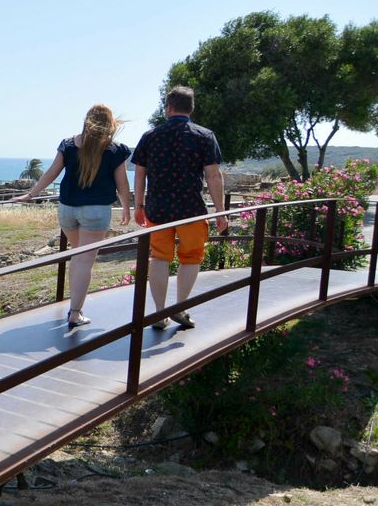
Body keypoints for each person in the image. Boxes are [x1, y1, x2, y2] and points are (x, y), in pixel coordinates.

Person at [13, 104, 132, 328]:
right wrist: (126, 207)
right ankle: (75, 314)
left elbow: (52, 172)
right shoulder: (115, 150)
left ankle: (73, 306)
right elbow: (122, 184)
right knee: (84, 261)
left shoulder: (68, 145)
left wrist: (31, 194)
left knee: (78, 257)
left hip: (67, 209)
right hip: (96, 211)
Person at [132, 85, 227, 330]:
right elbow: (213, 176)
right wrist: (220, 211)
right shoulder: (205, 136)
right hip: (191, 210)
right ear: (191, 108)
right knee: (191, 257)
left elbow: (140, 174)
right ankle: (180, 308)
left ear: (169, 108)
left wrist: (138, 206)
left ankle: (159, 313)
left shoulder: (150, 136)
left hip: (158, 210)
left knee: (159, 258)